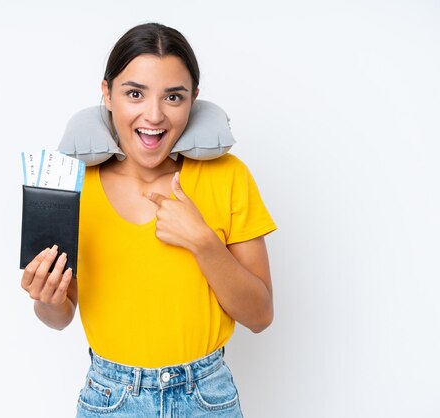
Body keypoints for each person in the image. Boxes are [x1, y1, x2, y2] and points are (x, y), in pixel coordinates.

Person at [21, 22, 276, 417]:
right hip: (111, 398)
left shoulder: (227, 176)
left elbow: (259, 316)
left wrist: (203, 242)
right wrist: (46, 299)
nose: (153, 115)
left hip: (207, 398)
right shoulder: (71, 186)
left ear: (193, 99)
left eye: (173, 96)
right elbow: (59, 317)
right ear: (107, 93)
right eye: (134, 93)